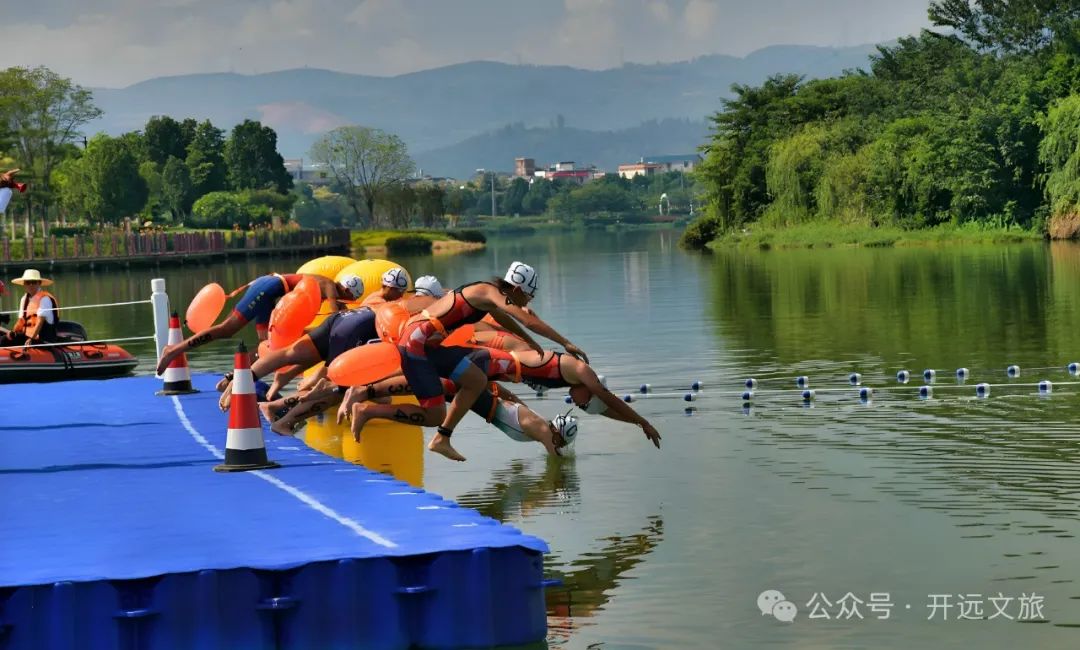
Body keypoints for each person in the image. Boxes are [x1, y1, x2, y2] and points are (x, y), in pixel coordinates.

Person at [347, 261, 587, 462]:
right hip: (417, 343)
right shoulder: (491, 292)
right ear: (517, 288)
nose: (526, 303)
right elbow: (527, 319)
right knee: (435, 415)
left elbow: (506, 319)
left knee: (475, 379)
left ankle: (442, 437)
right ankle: (371, 412)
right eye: (528, 296)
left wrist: (529, 341)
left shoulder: (487, 293)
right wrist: (565, 342)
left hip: (425, 342)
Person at [217, 275, 448, 420]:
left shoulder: (382, 296)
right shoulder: (426, 307)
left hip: (341, 321)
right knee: (336, 386)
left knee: (289, 355)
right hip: (355, 330)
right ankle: (281, 412)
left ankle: (239, 382)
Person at [155, 271, 365, 375]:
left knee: (268, 346)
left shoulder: (326, 289)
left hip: (273, 295)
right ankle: (173, 350)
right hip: (270, 288)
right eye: (347, 296)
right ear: (345, 289)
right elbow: (336, 313)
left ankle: (236, 377)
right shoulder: (329, 284)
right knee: (227, 329)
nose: (345, 300)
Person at [4, 269, 59, 346]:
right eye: (28, 282)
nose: (30, 285)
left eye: (33, 282)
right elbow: (21, 320)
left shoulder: (45, 299)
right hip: (27, 336)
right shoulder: (24, 299)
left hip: (43, 339)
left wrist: (31, 339)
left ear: (39, 283)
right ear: (24, 284)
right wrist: (13, 332)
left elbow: (40, 321)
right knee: (4, 340)